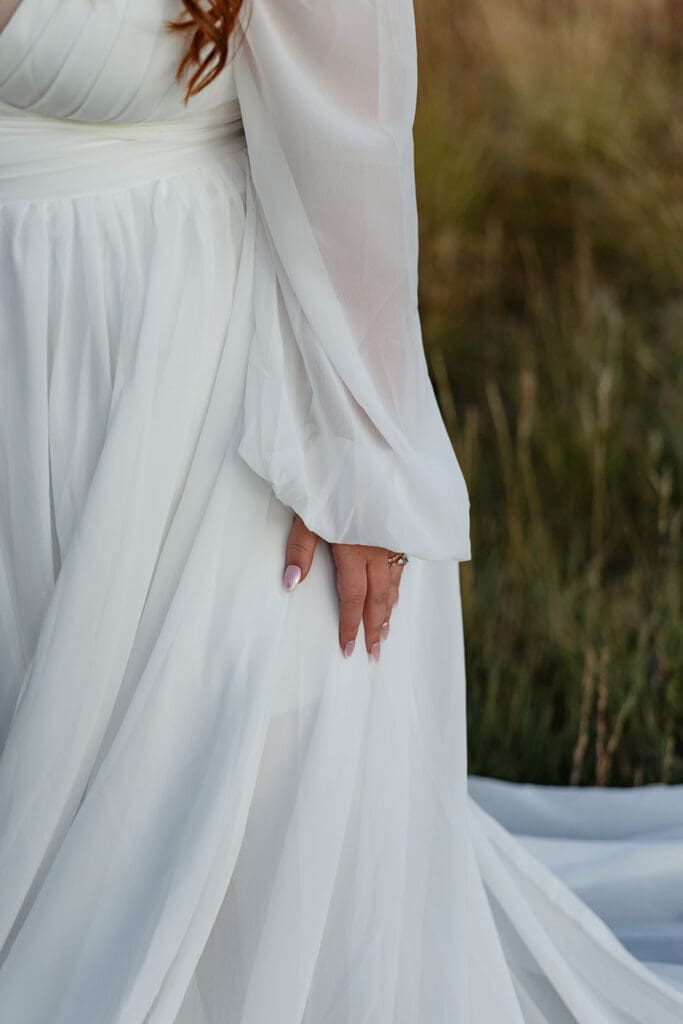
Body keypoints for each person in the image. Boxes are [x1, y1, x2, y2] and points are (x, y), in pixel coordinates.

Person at [0, 2, 682, 1022]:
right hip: (28, 387)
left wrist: (357, 458)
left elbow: (354, 145)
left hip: (185, 382)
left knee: (200, 803)